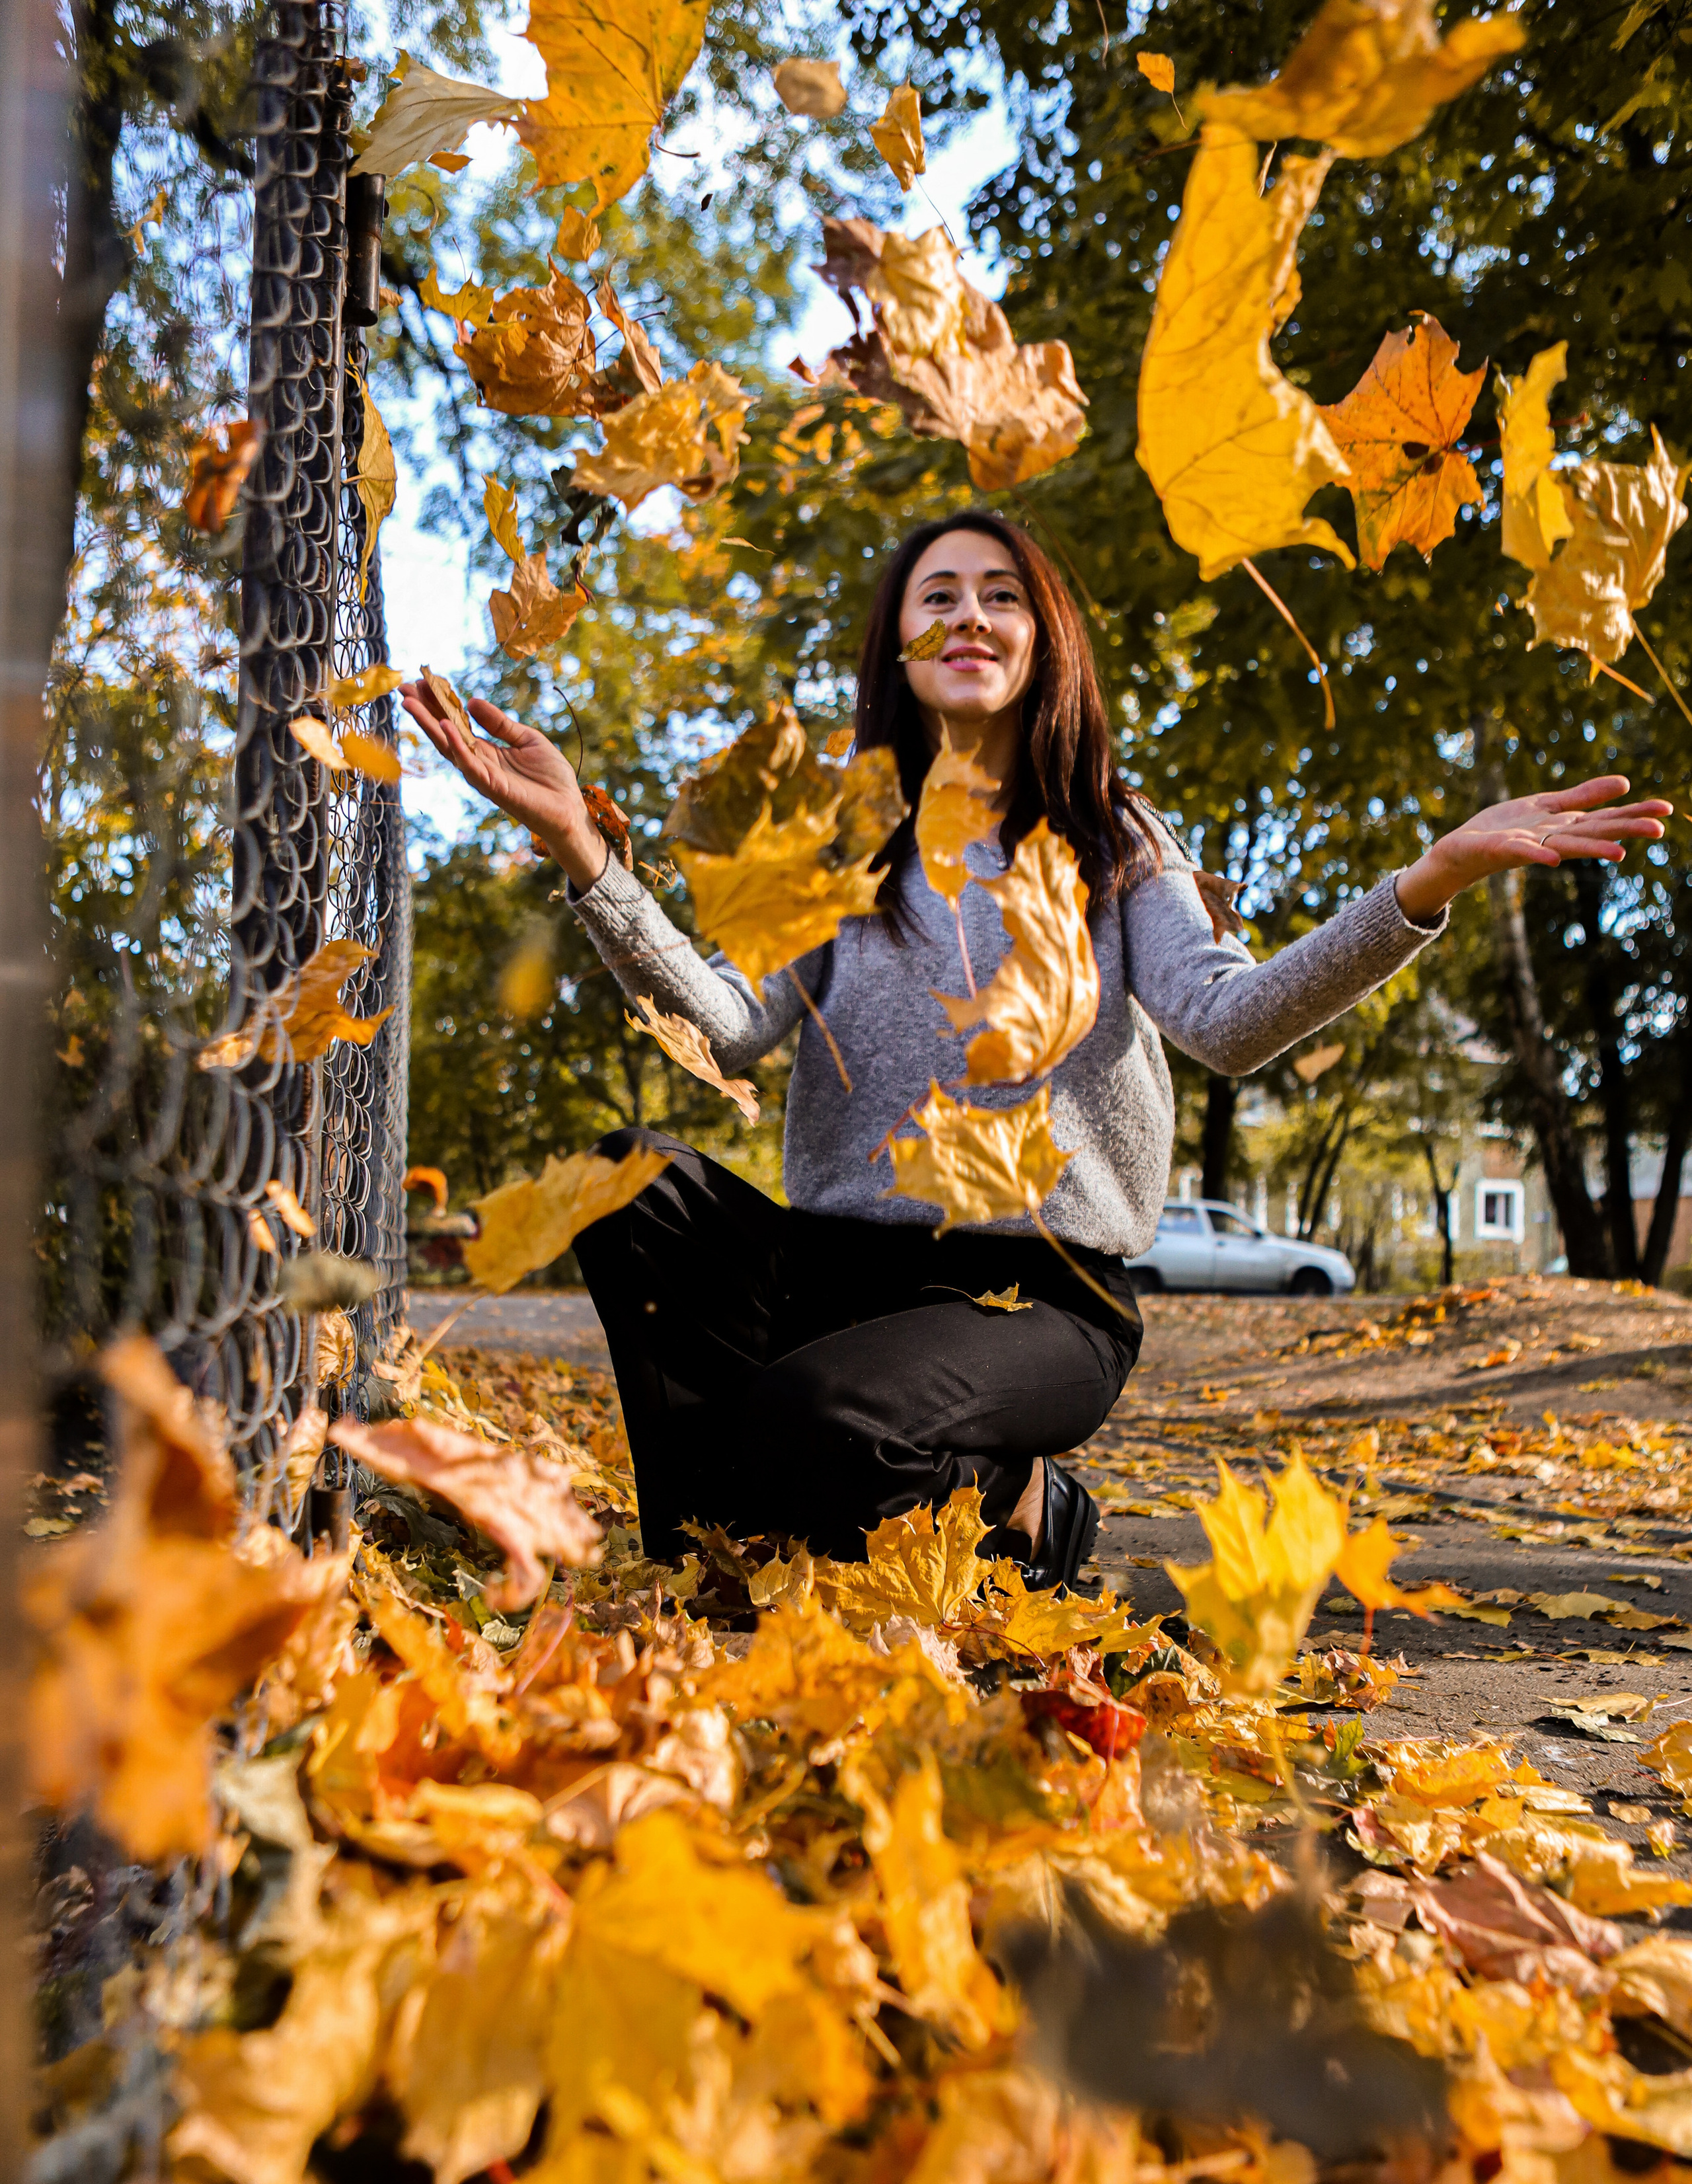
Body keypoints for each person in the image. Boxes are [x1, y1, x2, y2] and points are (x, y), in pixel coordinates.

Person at [401, 511, 1668, 1587]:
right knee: (632, 1176)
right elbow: (729, 1026)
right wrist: (584, 853)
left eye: (1000, 597)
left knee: (816, 1421)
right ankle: (716, 1552)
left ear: (1041, 639)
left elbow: (1229, 1024)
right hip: (836, 1277)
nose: (968, 616)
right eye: (937, 595)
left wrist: (1425, 885)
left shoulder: (1112, 835)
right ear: (898, 644)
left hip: (1035, 1299)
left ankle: (1025, 1510)